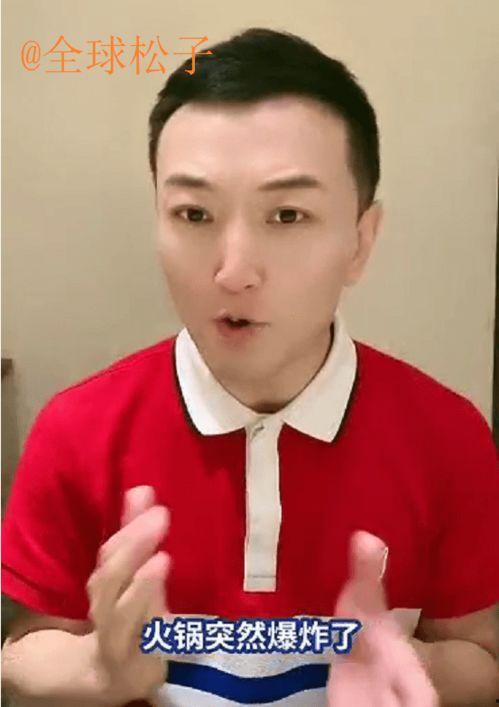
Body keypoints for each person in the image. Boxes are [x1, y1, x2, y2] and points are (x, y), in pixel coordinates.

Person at [1, 26, 498, 707]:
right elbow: (25, 651)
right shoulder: (76, 430)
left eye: (287, 215)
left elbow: (481, 655)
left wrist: (415, 667)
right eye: (193, 213)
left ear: (360, 241)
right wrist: (97, 670)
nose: (233, 271)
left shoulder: (448, 436)